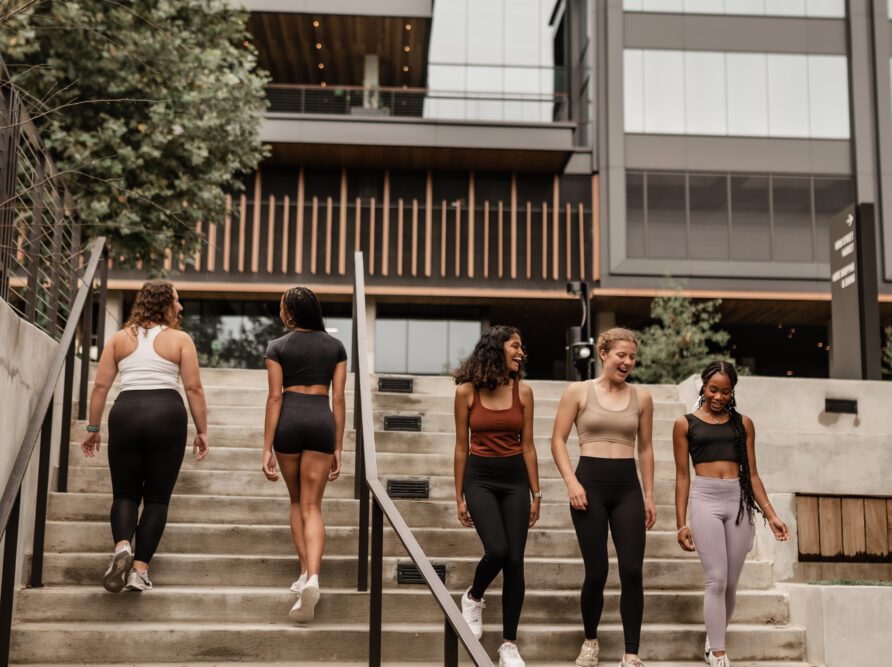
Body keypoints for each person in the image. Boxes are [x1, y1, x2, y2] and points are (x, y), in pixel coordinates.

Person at [81, 280, 209, 593]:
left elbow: (100, 387)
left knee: (124, 494)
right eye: (176, 301)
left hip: (125, 411)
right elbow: (193, 388)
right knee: (157, 499)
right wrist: (202, 429)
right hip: (167, 413)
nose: (179, 307)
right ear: (165, 304)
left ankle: (122, 545)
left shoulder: (118, 339)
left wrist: (93, 429)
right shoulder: (180, 340)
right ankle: (139, 570)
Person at [551, 327, 656, 667]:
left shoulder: (642, 398)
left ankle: (631, 652)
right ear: (603, 354)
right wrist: (571, 483)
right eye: (621, 355)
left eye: (632, 357)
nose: (627, 362)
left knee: (631, 571)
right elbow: (557, 440)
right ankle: (591, 642)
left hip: (627, 488)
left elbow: (646, 447)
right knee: (596, 571)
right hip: (589, 486)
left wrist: (650, 495)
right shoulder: (578, 392)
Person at [672, 361, 789, 667]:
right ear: (703, 386)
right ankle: (719, 653)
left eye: (726, 391)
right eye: (713, 389)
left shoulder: (744, 424)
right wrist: (680, 523)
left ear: (732, 391)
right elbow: (682, 476)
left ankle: (714, 639)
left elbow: (753, 474)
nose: (719, 397)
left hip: (738, 502)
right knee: (716, 580)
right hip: (705, 500)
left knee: (732, 583)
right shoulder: (685, 424)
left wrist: (771, 515)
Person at [453, 325, 540, 667]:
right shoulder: (466, 392)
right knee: (499, 550)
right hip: (480, 479)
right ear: (496, 349)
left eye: (522, 346)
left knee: (515, 562)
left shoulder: (524, 392)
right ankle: (474, 596)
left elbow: (529, 445)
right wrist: (459, 496)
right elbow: (461, 447)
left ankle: (508, 645)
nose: (522, 352)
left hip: (516, 479)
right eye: (515, 346)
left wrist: (537, 493)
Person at [262, 286, 347, 623]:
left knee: (297, 501)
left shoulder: (277, 346)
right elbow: (338, 400)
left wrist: (266, 446)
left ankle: (304, 574)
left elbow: (274, 398)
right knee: (313, 506)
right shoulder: (335, 346)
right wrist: (338, 444)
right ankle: (312, 575)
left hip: (290, 420)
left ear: (290, 313)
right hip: (320, 420)